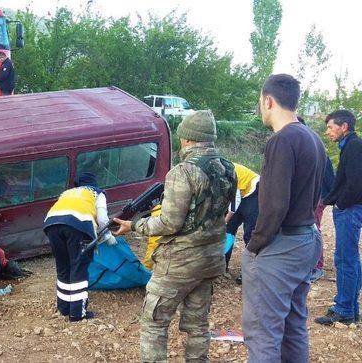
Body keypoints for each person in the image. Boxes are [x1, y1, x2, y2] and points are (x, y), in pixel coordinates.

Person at [114, 110, 237, 362]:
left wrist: (136, 225)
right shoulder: (227, 168)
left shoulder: (183, 172)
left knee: (154, 322)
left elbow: (169, 222)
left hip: (179, 262)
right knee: (198, 326)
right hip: (211, 258)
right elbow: (221, 212)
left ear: (188, 138)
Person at [242, 74, 325, 362]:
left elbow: (275, 205)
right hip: (307, 239)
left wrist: (254, 246)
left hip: (283, 245)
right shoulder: (312, 137)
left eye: (260, 102)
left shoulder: (283, 139)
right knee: (293, 326)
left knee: (263, 332)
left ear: (268, 100)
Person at [43, 172, 117, 322]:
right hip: (78, 225)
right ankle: (77, 313)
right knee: (78, 267)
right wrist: (108, 237)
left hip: (51, 225)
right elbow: (102, 219)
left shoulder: (67, 193)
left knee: (63, 266)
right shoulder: (97, 193)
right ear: (94, 183)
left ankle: (64, 308)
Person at [315, 110, 362, 325]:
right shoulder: (350, 146)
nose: (327, 132)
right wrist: (329, 200)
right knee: (349, 259)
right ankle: (350, 307)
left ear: (344, 127)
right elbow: (342, 182)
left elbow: (355, 184)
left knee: (345, 259)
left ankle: (344, 309)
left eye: (331, 127)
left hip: (350, 210)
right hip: (350, 208)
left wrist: (341, 204)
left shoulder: (353, 146)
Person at [298, 116, 335, 282]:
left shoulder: (314, 147)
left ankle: (317, 266)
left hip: (318, 196)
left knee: (314, 229)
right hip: (309, 196)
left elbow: (329, 178)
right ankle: (308, 264)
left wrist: (326, 198)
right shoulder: (305, 146)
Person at [224, 162, 260, 284]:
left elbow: (234, 204)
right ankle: (222, 267)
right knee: (228, 231)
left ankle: (249, 272)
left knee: (250, 233)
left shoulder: (228, 174)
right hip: (239, 193)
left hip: (253, 192)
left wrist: (224, 221)